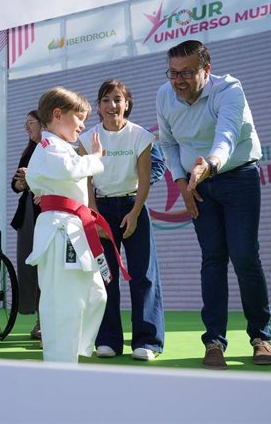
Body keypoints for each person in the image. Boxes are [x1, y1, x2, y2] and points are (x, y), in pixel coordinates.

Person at [156, 40, 271, 370]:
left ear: (206, 70)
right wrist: (181, 181)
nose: (178, 81)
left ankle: (261, 337)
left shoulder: (229, 90)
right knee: (212, 259)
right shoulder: (164, 95)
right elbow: (167, 142)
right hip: (197, 185)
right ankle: (214, 341)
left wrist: (209, 164)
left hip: (237, 177)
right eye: (173, 73)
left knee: (245, 256)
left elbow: (227, 135)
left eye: (187, 73)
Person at [26, 86, 116, 363]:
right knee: (64, 301)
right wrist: (95, 159)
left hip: (73, 227)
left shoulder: (61, 148)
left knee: (95, 294)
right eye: (79, 118)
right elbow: (67, 170)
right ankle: (60, 361)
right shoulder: (48, 145)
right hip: (59, 230)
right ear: (57, 114)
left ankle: (72, 351)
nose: (83, 126)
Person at [76, 79, 164, 361]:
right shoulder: (88, 138)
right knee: (105, 276)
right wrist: (94, 216)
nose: (112, 105)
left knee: (143, 275)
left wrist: (135, 213)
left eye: (117, 99)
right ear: (98, 107)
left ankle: (147, 341)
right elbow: (86, 180)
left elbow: (145, 178)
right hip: (100, 209)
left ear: (127, 104)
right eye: (105, 100)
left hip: (132, 205)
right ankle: (108, 340)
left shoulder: (140, 136)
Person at [10, 110, 42, 340]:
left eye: (30, 123)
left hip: (47, 212)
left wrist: (33, 177)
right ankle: (37, 318)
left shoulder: (54, 147)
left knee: (46, 268)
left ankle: (45, 320)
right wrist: (22, 183)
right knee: (29, 267)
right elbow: (16, 186)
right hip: (28, 214)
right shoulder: (28, 151)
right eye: (25, 124)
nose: (27, 128)